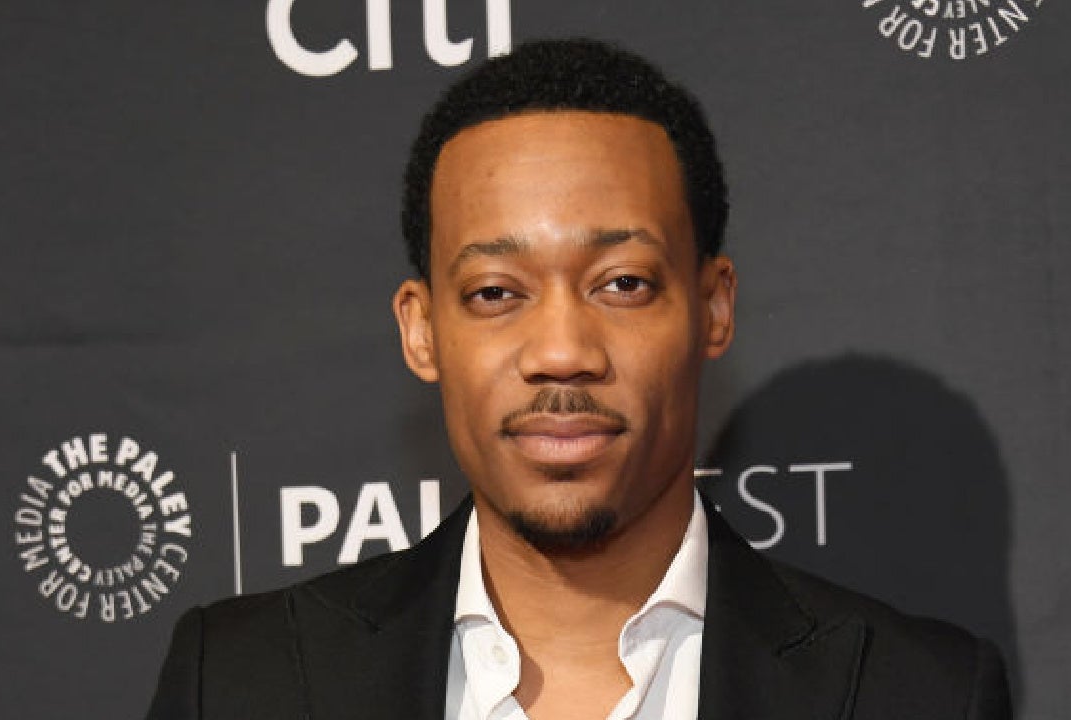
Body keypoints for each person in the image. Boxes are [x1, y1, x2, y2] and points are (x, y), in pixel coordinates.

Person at [146, 38, 1012, 720]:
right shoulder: (243, 683)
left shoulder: (920, 696)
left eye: (622, 283)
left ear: (713, 308)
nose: (562, 350)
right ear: (421, 329)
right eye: (495, 292)